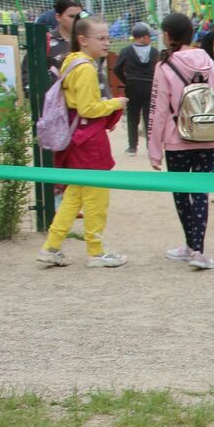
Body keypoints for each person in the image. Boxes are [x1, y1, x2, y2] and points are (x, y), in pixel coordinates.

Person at [35, 15, 128, 269]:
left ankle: (51, 246)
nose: (107, 42)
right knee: (96, 198)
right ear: (83, 40)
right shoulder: (86, 67)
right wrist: (115, 103)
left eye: (108, 37)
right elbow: (89, 108)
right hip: (89, 141)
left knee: (73, 196)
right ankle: (95, 251)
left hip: (77, 139)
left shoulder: (71, 62)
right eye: (101, 38)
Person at [148, 11, 214, 270]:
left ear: (167, 35)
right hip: (208, 136)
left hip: (177, 137)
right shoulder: (208, 60)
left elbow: (158, 109)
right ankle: (198, 250)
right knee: (200, 192)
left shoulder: (165, 65)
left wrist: (154, 149)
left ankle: (192, 246)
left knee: (181, 193)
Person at [112, 22, 156, 157]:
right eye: (148, 36)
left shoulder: (126, 51)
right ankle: (151, 147)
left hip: (133, 87)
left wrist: (127, 80)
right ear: (143, 37)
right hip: (149, 87)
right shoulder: (154, 52)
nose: (150, 39)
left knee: (132, 116)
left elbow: (116, 68)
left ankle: (132, 147)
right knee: (150, 117)